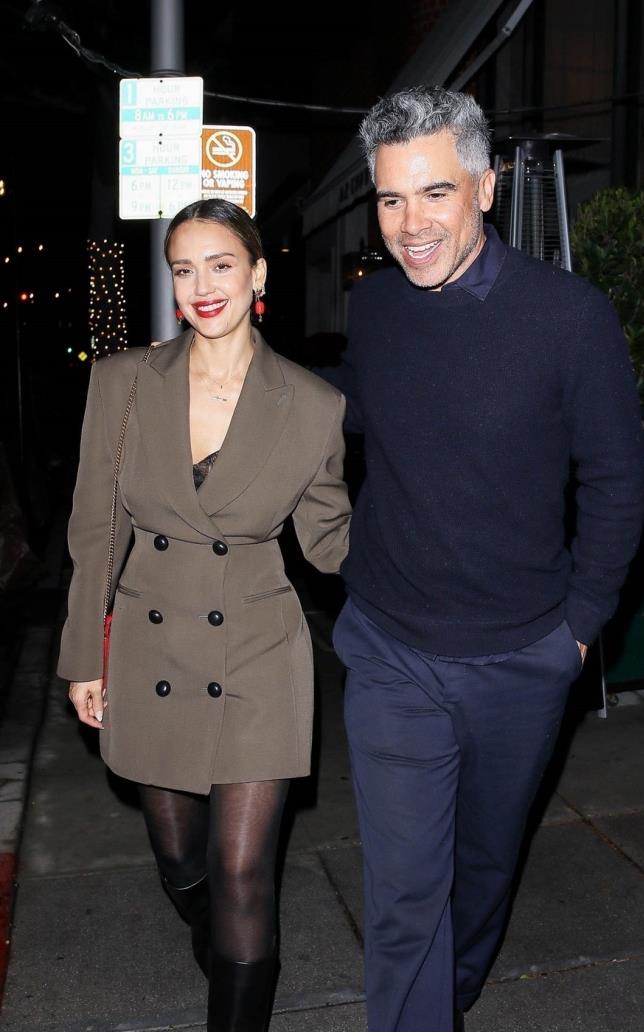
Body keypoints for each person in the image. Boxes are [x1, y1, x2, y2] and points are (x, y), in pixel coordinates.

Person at [324, 86, 644, 1032]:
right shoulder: (375, 307)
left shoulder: (568, 318)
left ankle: (448, 996)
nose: (410, 224)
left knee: (481, 871)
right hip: (391, 648)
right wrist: (240, 383)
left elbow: (616, 481)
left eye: (435, 193)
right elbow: (361, 409)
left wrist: (577, 629)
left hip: (519, 656)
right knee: (404, 900)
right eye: (391, 199)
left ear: (486, 187)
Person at [58, 198, 351, 1032]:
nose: (202, 285)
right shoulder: (123, 382)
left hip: (259, 651)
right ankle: (214, 931)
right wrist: (84, 658)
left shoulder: (312, 405)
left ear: (258, 274)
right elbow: (96, 530)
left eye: (221, 264)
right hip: (151, 648)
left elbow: (332, 542)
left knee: (244, 872)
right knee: (182, 858)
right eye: (183, 269)